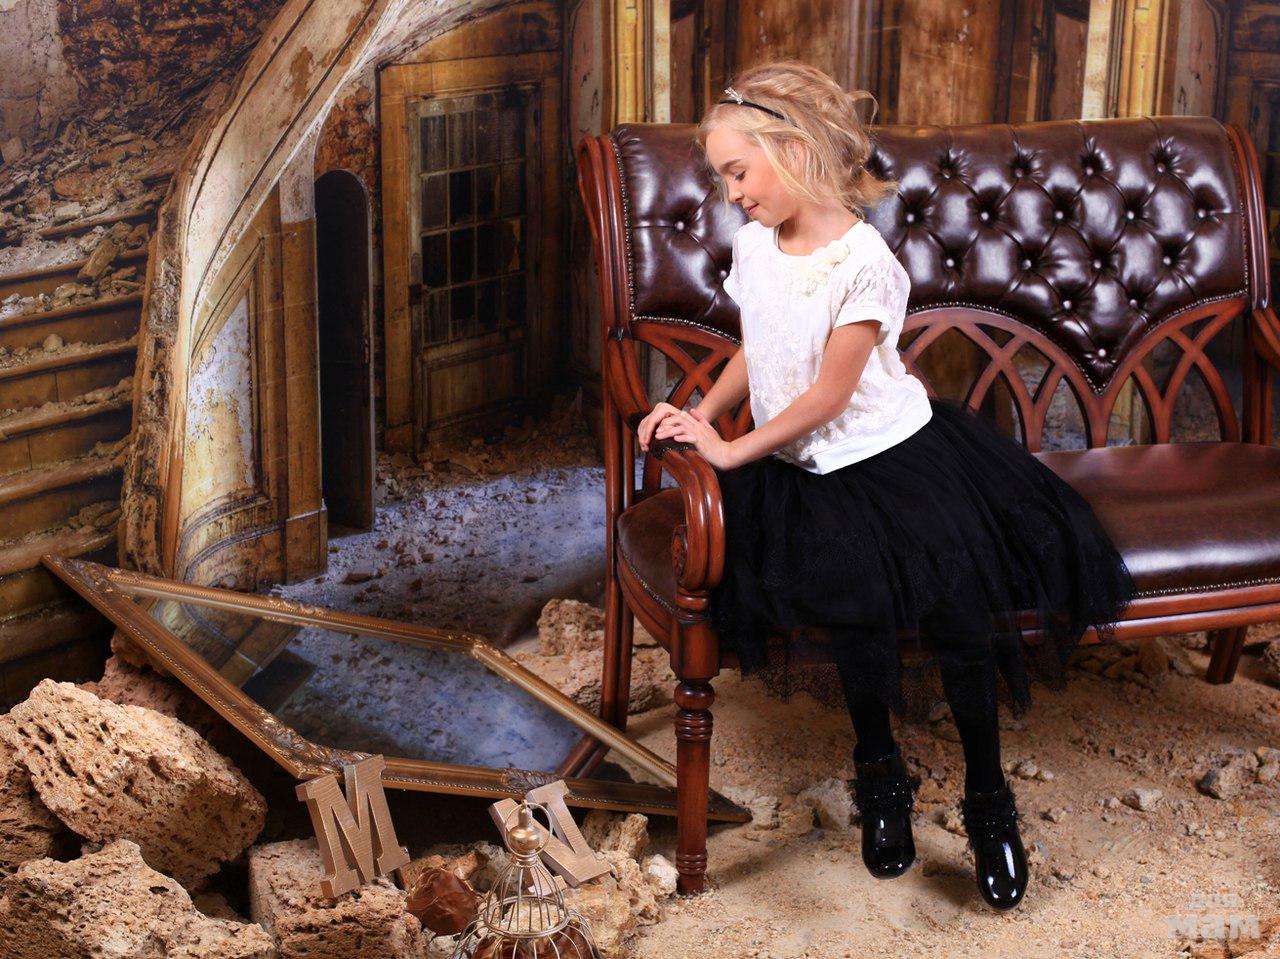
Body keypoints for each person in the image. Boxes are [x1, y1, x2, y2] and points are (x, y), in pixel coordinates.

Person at [635, 60, 1138, 911]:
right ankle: (881, 778)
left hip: (890, 455)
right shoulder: (756, 244)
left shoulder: (864, 261)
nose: (732, 195)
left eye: (739, 172)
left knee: (959, 618)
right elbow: (758, 345)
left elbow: (829, 395)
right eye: (723, 178)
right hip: (805, 469)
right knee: (856, 613)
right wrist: (699, 413)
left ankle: (989, 802)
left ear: (793, 152)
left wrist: (731, 451)